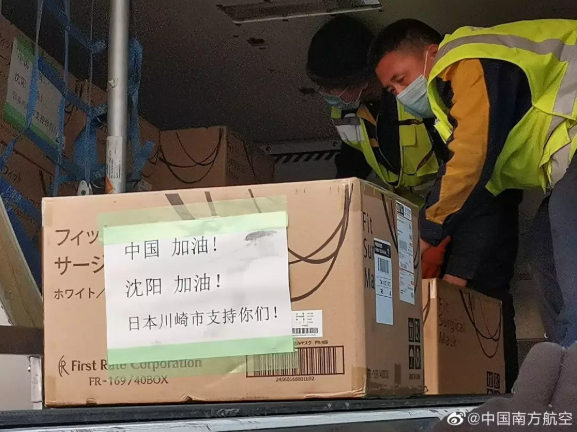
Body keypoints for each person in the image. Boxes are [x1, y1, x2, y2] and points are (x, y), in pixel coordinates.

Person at [368, 19, 527, 392]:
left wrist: (424, 237)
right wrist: (454, 273)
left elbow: (469, 162)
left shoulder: (469, 61)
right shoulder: (446, 112)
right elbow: (485, 190)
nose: (399, 94)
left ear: (432, 53)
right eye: (391, 89)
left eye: (401, 79)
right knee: (547, 260)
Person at [306, 16, 443, 205]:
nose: (324, 93)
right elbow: (353, 159)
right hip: (411, 210)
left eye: (330, 88)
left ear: (361, 81)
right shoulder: (344, 113)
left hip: (449, 202)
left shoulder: (414, 99)